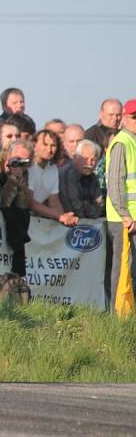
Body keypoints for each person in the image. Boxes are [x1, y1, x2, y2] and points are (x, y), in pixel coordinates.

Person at [105, 99, 136, 315]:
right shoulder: (122, 142)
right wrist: (125, 215)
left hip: (131, 218)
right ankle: (119, 317)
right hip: (124, 219)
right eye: (134, 117)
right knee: (123, 269)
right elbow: (115, 183)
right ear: (124, 118)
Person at [0, 139, 34, 277]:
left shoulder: (24, 176)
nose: (19, 164)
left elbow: (24, 205)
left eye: (25, 162)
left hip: (18, 228)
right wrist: (11, 180)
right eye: (17, 159)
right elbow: (4, 202)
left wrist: (20, 184)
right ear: (7, 156)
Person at [29, 129, 77, 226]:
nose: (49, 149)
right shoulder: (28, 167)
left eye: (53, 145)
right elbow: (29, 202)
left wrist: (64, 218)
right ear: (34, 145)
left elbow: (54, 200)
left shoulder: (53, 169)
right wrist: (59, 216)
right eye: (45, 144)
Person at [59, 139, 103, 219]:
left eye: (93, 160)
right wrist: (92, 209)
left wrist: (88, 206)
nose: (89, 163)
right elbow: (73, 207)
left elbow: (100, 204)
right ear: (76, 157)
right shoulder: (69, 173)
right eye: (85, 159)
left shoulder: (92, 176)